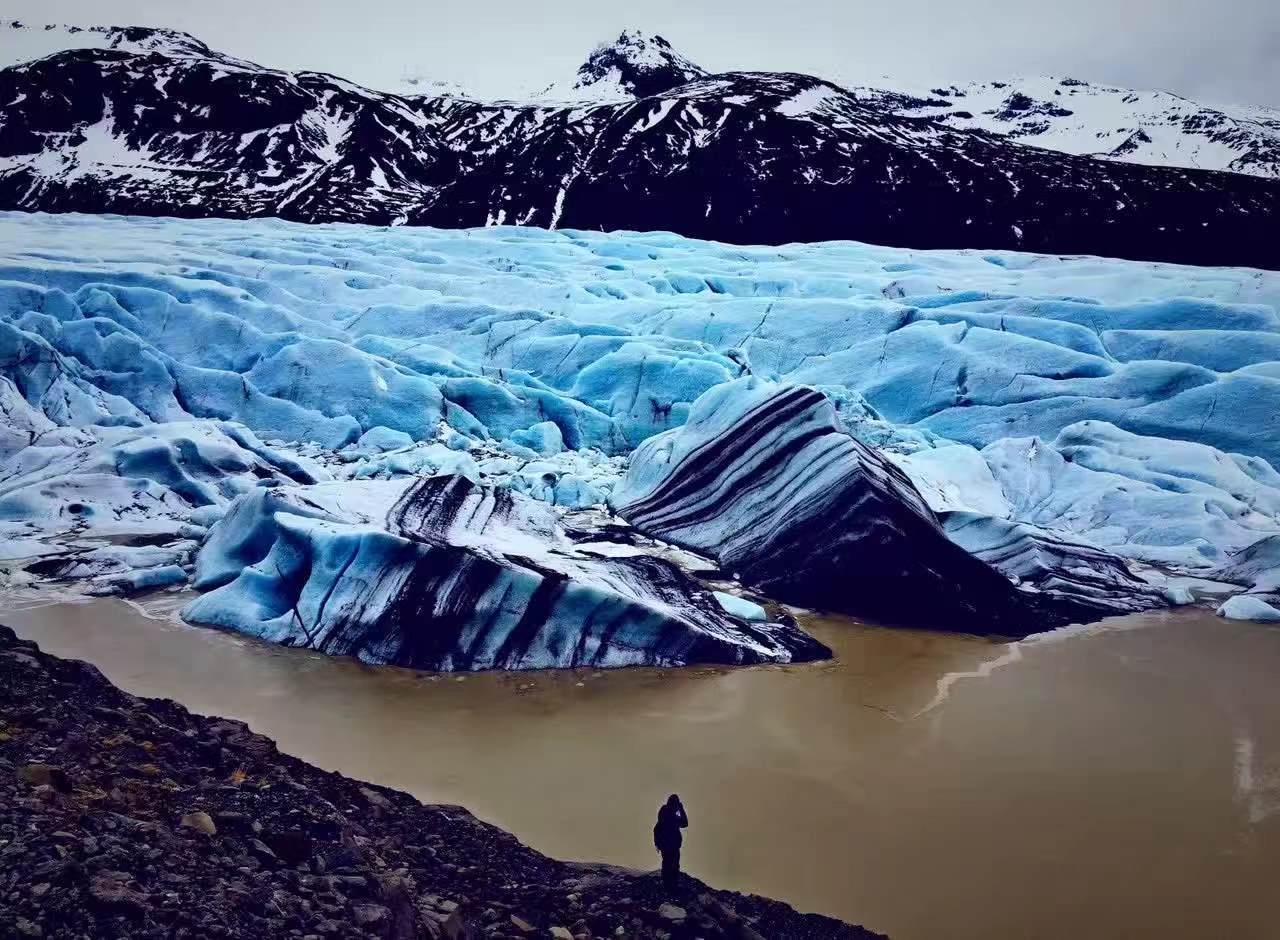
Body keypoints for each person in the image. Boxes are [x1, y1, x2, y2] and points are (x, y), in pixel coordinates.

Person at [653, 794, 688, 893]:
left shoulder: (665, 813)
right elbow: (685, 823)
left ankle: (669, 886)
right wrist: (681, 809)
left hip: (668, 845)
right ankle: (670, 887)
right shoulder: (670, 815)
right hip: (670, 846)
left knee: (670, 865)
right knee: (671, 866)